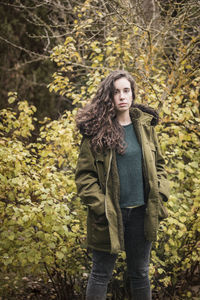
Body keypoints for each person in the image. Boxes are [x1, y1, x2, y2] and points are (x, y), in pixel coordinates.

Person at [75, 70, 170, 300]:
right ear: (109, 96)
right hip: (109, 217)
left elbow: (160, 165)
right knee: (100, 274)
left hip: (141, 214)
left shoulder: (145, 127)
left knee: (140, 273)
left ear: (132, 93)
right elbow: (84, 178)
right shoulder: (96, 132)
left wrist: (160, 192)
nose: (122, 96)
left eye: (126, 90)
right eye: (116, 92)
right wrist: (102, 207)